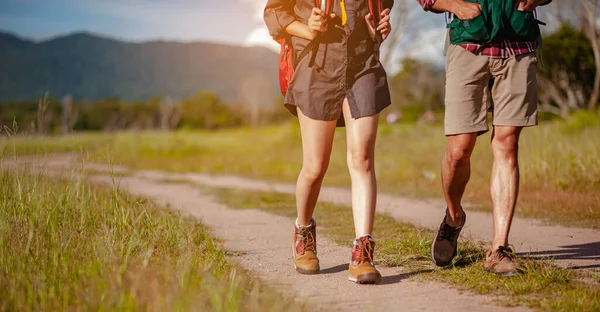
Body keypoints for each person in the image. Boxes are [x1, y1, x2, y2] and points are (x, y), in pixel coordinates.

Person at [417, 0, 552, 276]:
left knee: (508, 144)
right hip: (468, 42)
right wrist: (454, 6)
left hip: (518, 43)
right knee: (459, 148)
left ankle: (499, 249)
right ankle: (454, 217)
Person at [264, 0, 393, 284]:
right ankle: (304, 231)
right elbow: (275, 12)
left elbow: (382, 9)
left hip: (363, 65)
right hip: (317, 66)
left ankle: (363, 253)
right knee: (315, 166)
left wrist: (381, 26)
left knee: (362, 158)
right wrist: (307, 28)